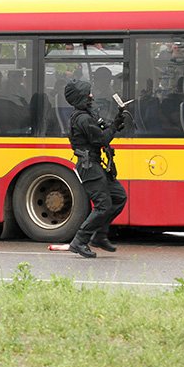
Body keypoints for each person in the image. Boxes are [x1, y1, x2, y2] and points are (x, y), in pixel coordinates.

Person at [64, 79, 127, 258]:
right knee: (103, 205)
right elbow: (100, 139)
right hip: (88, 166)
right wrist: (114, 127)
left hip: (95, 165)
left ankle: (99, 236)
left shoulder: (87, 114)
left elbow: (102, 128)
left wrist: (114, 123)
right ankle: (79, 241)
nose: (91, 96)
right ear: (80, 97)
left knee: (119, 197)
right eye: (87, 94)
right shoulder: (82, 118)